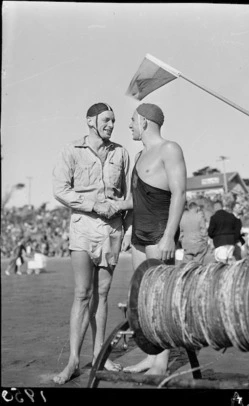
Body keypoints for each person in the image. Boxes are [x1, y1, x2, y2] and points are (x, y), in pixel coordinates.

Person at [52, 102, 131, 384]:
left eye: (114, 121)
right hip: (82, 228)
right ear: (90, 121)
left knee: (103, 294)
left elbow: (126, 194)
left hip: (112, 230)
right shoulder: (71, 150)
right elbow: (60, 189)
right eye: (106, 120)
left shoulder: (121, 152)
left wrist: (128, 230)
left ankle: (99, 356)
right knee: (83, 293)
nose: (111, 125)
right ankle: (73, 360)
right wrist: (93, 205)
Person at [111, 103, 186, 375]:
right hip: (139, 234)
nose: (129, 125)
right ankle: (151, 358)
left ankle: (162, 363)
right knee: (143, 298)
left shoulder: (170, 149)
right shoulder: (141, 154)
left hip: (159, 233)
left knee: (160, 298)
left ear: (144, 121)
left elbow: (179, 193)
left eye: (132, 120)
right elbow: (136, 199)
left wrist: (168, 236)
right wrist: (114, 205)